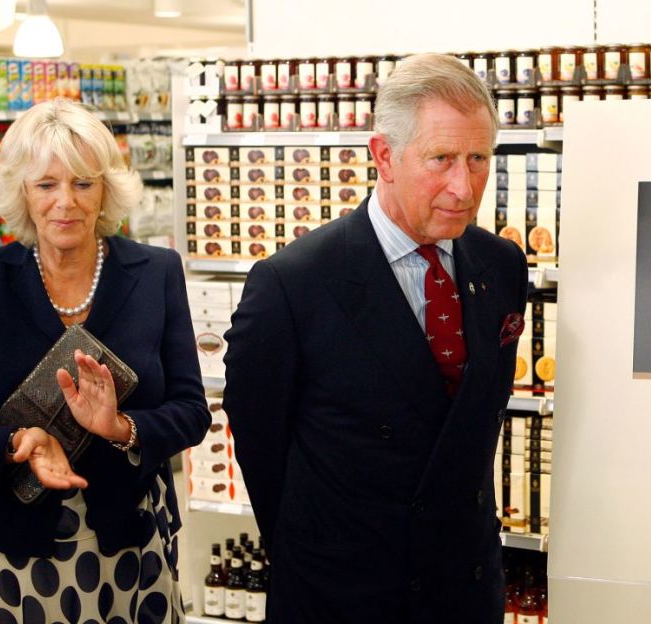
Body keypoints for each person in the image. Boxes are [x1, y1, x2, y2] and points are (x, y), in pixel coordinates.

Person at [223, 53, 528, 623]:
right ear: (384, 156)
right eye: (441, 159)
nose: (464, 187)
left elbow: (473, 423)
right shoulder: (294, 284)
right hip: (346, 595)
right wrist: (321, 556)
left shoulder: (502, 264)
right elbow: (261, 447)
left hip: (465, 588)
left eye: (478, 158)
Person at [0, 98, 209, 623]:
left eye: (83, 183)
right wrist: (14, 444)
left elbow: (192, 411)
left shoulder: (155, 273)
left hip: (129, 544)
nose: (66, 203)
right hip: (13, 551)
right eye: (46, 185)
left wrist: (122, 427)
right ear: (21, 193)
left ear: (105, 190)